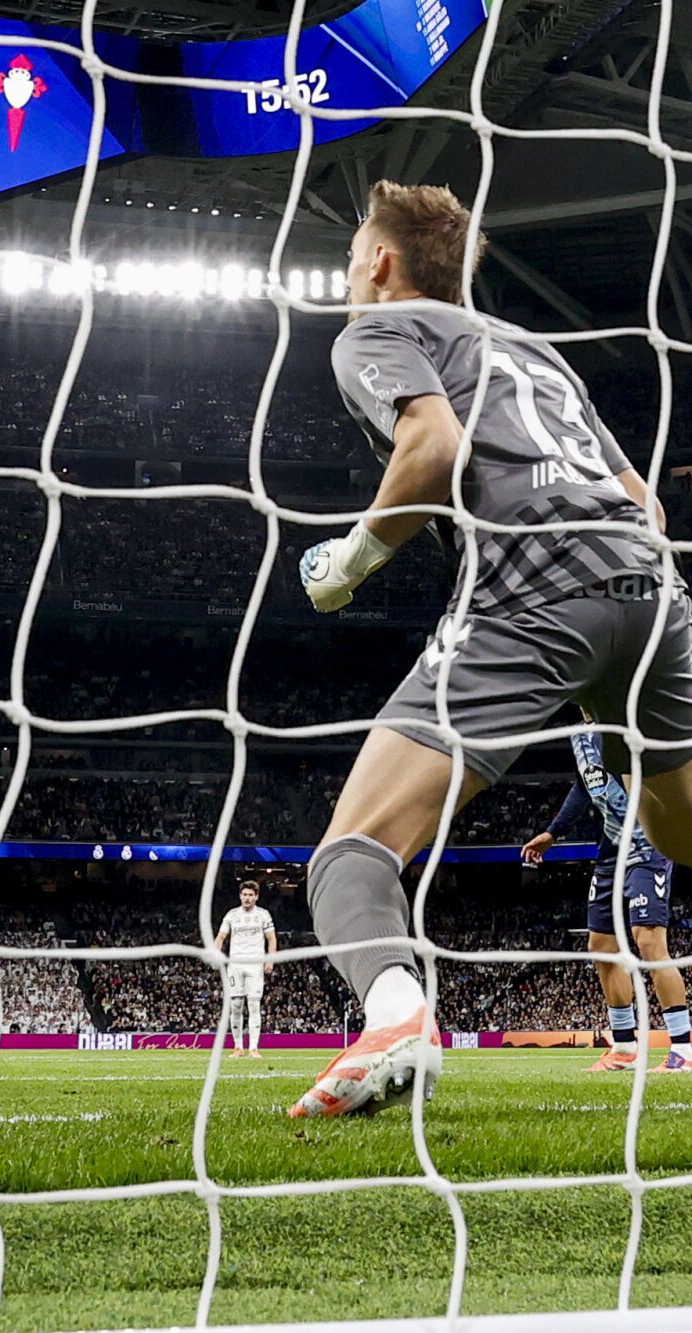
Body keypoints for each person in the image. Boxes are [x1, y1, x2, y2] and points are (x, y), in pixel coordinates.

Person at [289, 179, 692, 1117]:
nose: (351, 273)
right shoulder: (536, 349)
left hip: (531, 587)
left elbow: (430, 444)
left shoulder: (378, 331)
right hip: (653, 587)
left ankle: (394, 1019)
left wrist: (347, 565)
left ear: (382, 263)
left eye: (354, 256)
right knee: (679, 831)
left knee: (350, 852)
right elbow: (646, 503)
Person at [521, 719, 692, 1072]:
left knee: (649, 944)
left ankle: (683, 1049)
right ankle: (624, 1047)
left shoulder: (627, 718)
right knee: (600, 946)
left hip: (647, 844)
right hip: (611, 849)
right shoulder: (578, 735)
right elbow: (586, 786)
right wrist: (553, 832)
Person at [215, 881, 276, 1059]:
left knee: (254, 1005)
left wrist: (270, 959)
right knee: (236, 1006)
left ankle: (253, 1048)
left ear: (256, 897)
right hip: (235, 965)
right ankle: (238, 1047)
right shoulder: (232, 915)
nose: (247, 898)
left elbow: (271, 939)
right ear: (240, 896)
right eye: (245, 894)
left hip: (255, 965)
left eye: (251, 895)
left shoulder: (263, 915)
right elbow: (220, 938)